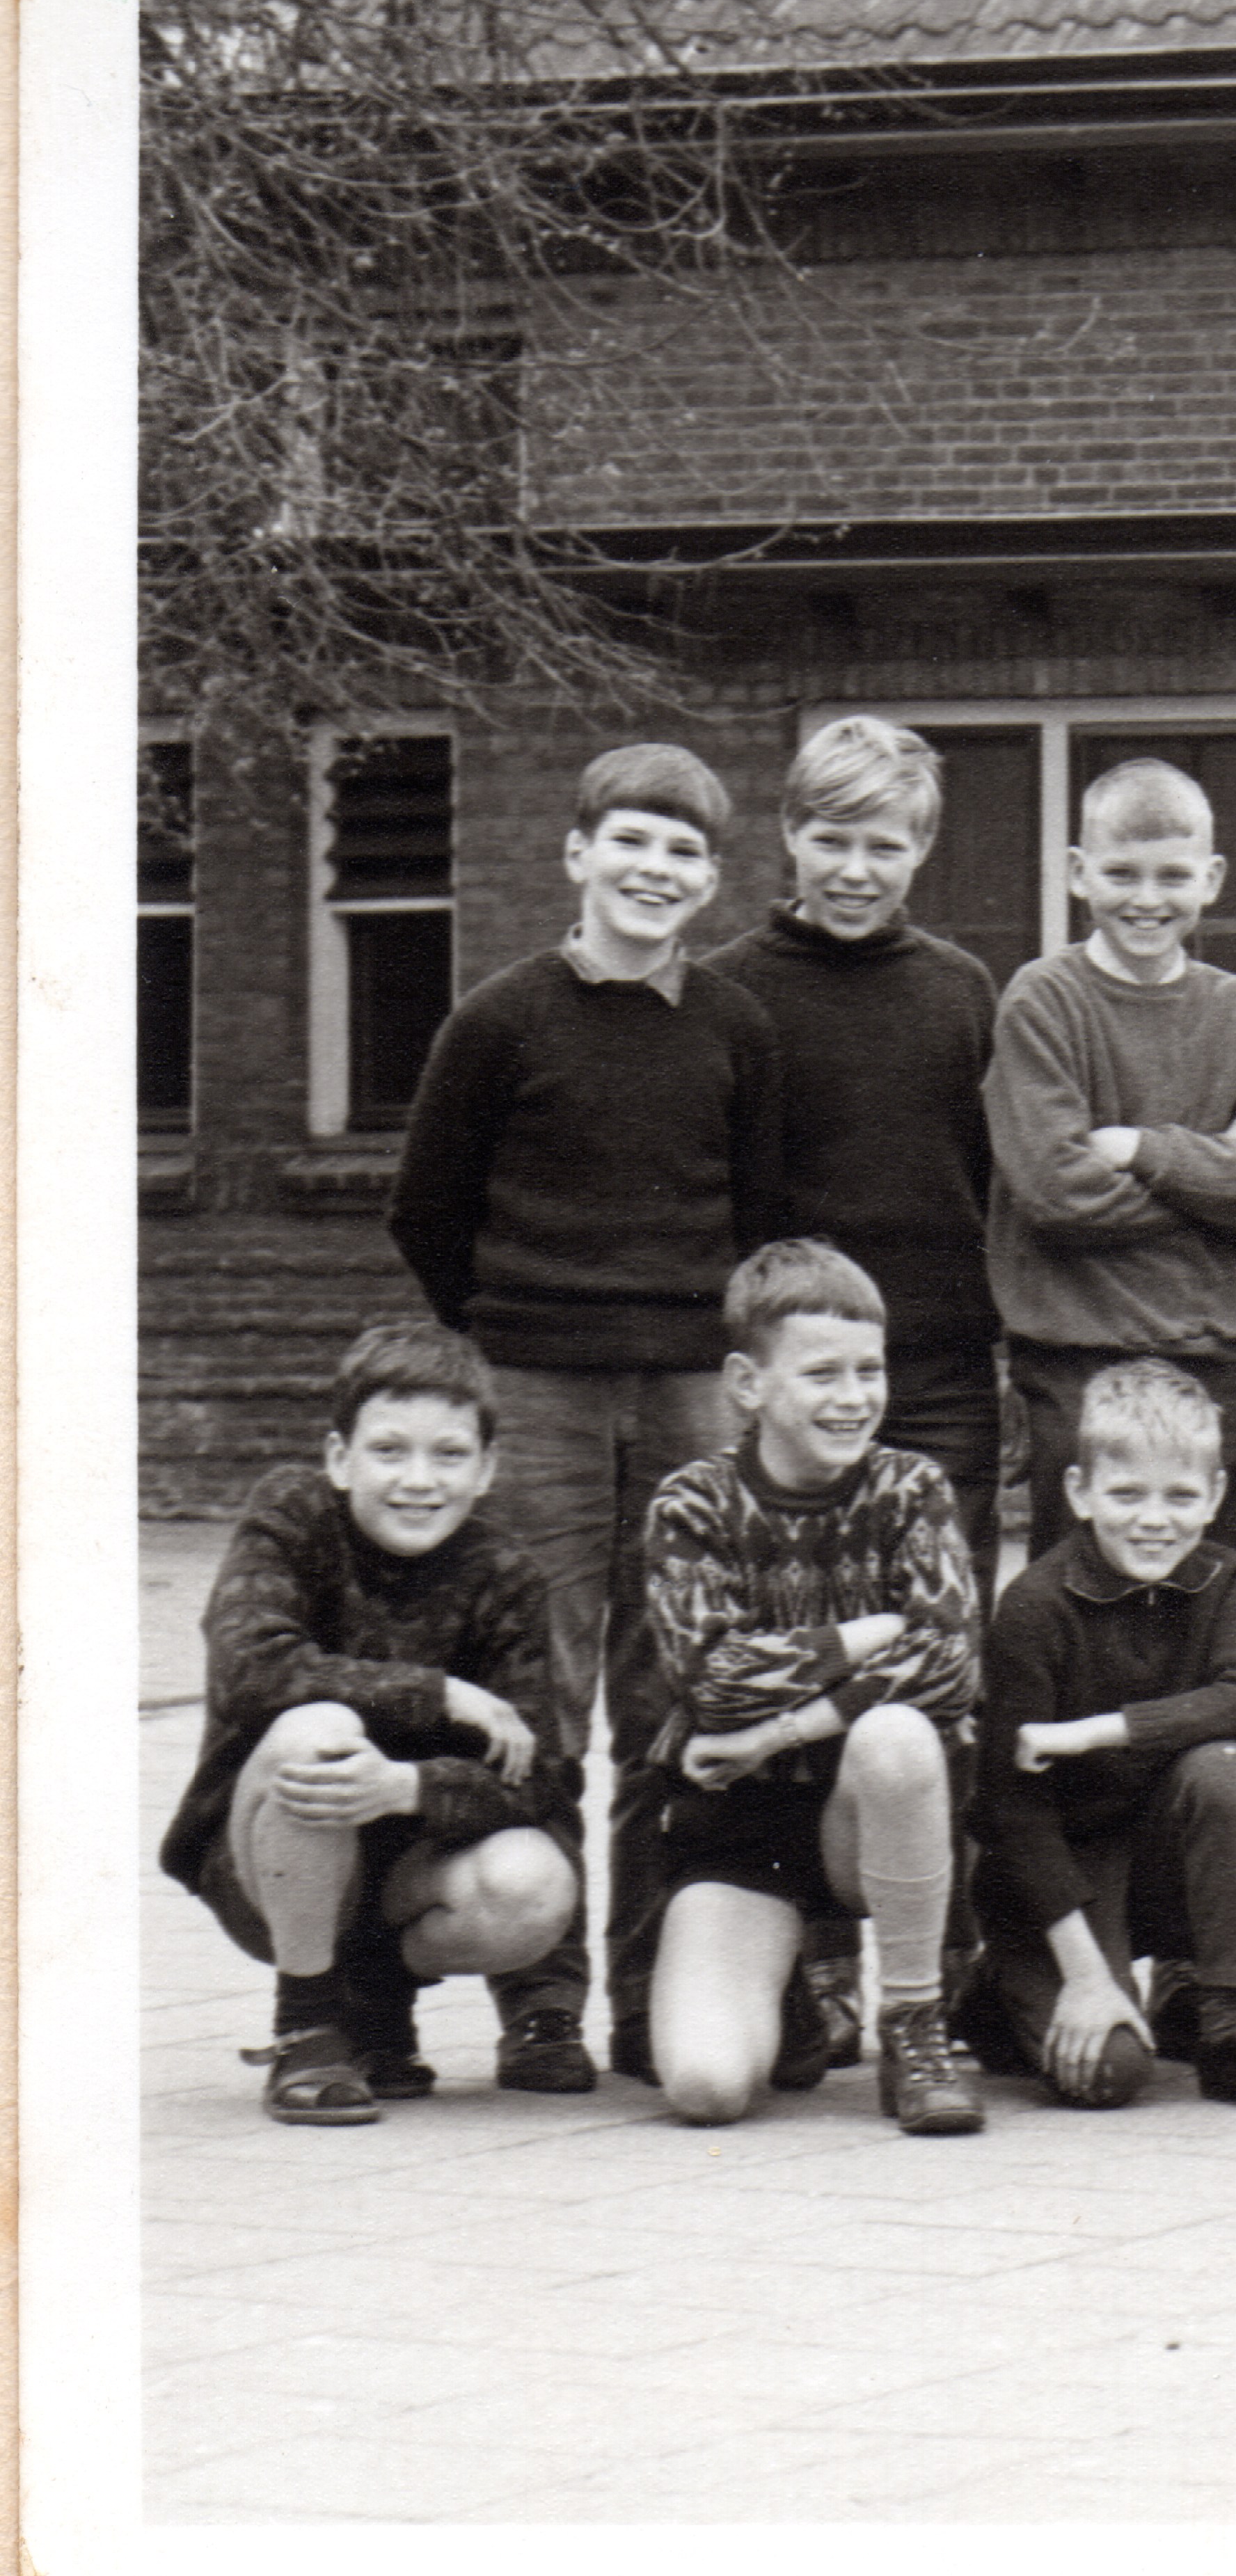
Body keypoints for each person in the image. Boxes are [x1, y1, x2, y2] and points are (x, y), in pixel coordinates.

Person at [381, 739, 785, 2090]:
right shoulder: (500, 1018)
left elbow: (763, 1215)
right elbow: (426, 1209)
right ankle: (541, 2002)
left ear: (712, 879)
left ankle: (651, 1990)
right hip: (539, 1386)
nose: (655, 869)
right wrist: (515, 1328)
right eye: (632, 840)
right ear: (577, 854)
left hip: (684, 1391)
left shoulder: (733, 1029)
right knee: (536, 1692)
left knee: (673, 1693)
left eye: (683, 851)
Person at [171, 1321, 580, 2122]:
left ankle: (377, 2001)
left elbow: (535, 1778)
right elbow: (255, 1668)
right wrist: (438, 1695)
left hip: (405, 1872)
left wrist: (405, 1786)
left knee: (532, 1884)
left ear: (488, 1468)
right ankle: (307, 2027)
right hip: (263, 1855)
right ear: (339, 1458)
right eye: (390, 1451)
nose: (418, 1480)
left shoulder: (506, 1575)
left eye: (450, 1455)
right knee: (317, 1732)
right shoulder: (292, 1517)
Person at [634, 1241, 986, 2133]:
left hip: (869, 1826)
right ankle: (786, 1984)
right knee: (707, 2089)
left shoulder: (912, 1490)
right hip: (746, 1836)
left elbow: (951, 1662)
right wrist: (863, 1634)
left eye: (869, 1371)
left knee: (901, 1736)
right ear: (749, 1385)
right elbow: (712, 1679)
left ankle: (913, 2024)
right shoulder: (693, 1504)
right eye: (822, 1374)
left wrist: (774, 1734)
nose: (855, 1397)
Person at [967, 1356, 1236, 2115]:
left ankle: (1228, 2026)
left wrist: (1103, 1731)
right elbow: (1013, 1814)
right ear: (1079, 1493)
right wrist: (1088, 1980)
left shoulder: (1218, 1580)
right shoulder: (1035, 1608)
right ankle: (1001, 1989)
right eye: (1126, 1494)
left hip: (1161, 1861)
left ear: (1216, 1498)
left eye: (1179, 1496)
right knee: (1113, 2075)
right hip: (1060, 1876)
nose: (1154, 1519)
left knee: (1225, 1770)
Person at [985, 754, 1236, 1564]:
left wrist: (1141, 1148)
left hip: (1224, 1367)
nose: (1146, 898)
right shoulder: (1043, 1001)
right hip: (1080, 1363)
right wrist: (1220, 1165)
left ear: (1211, 878)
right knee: (1080, 1609)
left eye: (1172, 876)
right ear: (1077, 873)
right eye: (1121, 873)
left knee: (1216, 1606)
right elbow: (1057, 1194)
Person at [704, 716, 1004, 1587]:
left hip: (941, 1371)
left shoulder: (961, 990)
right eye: (831, 842)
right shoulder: (729, 990)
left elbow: (994, 1188)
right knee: (793, 1608)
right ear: (790, 833)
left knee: (944, 1615)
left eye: (883, 846)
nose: (855, 872)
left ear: (924, 845)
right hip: (789, 1369)